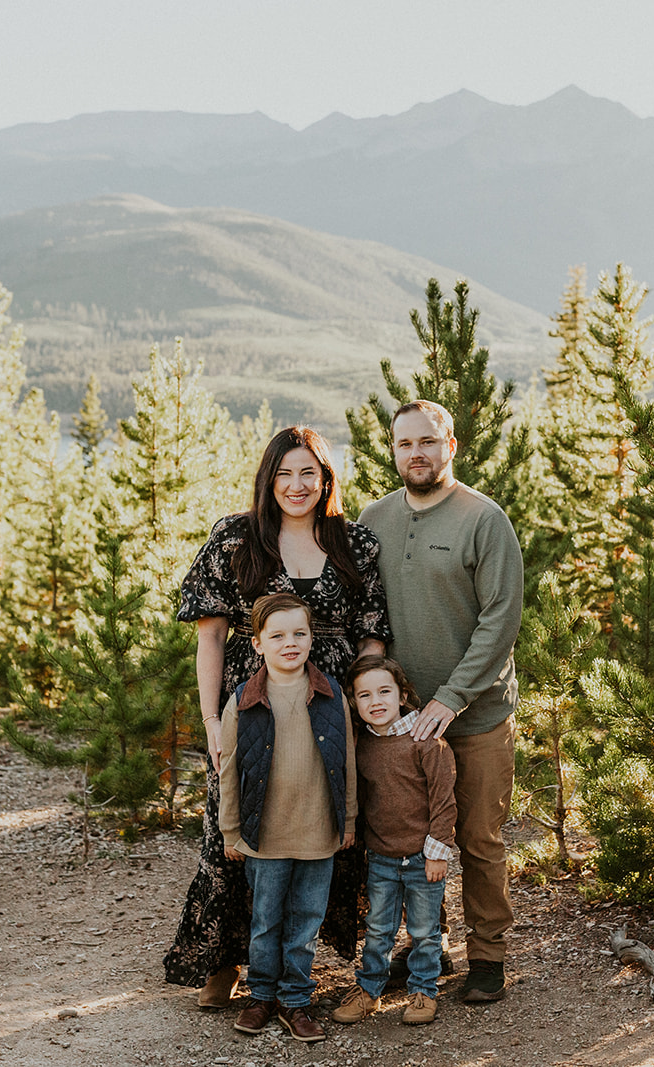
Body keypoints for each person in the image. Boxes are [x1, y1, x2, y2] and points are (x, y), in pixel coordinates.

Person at [165, 426, 389, 1008]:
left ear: (326, 479)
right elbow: (211, 637)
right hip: (251, 703)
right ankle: (226, 960)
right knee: (234, 827)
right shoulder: (236, 539)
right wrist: (212, 722)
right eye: (284, 473)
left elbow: (372, 635)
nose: (296, 485)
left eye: (308, 473)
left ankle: (307, 964)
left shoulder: (355, 543)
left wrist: (367, 708)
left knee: (327, 823)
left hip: (332, 704)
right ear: (268, 478)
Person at [358, 399, 523, 1003]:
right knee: (404, 837)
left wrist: (451, 698)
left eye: (427, 441)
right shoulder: (374, 519)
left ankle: (488, 956)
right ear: (393, 450)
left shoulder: (483, 519)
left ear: (450, 445)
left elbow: (501, 620)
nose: (416, 454)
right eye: (405, 444)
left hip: (475, 716)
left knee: (477, 839)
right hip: (401, 723)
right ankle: (431, 944)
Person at [218, 592, 356, 1043]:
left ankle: (295, 1000)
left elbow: (348, 762)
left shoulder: (331, 695)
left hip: (318, 831)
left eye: (299, 633)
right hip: (265, 835)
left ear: (312, 638)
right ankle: (261, 996)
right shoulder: (244, 700)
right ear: (258, 644)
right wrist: (230, 831)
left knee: (306, 922)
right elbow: (229, 771)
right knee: (266, 921)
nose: (290, 643)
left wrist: (349, 821)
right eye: (277, 636)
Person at [331, 655, 456, 1027]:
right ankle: (369, 990)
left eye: (384, 691)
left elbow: (443, 799)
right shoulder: (362, 745)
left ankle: (423, 991)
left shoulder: (426, 739)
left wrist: (438, 851)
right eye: (365, 695)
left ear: (402, 695)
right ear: (354, 702)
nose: (376, 701)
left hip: (422, 857)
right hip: (382, 857)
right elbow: (363, 800)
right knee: (378, 930)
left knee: (425, 932)